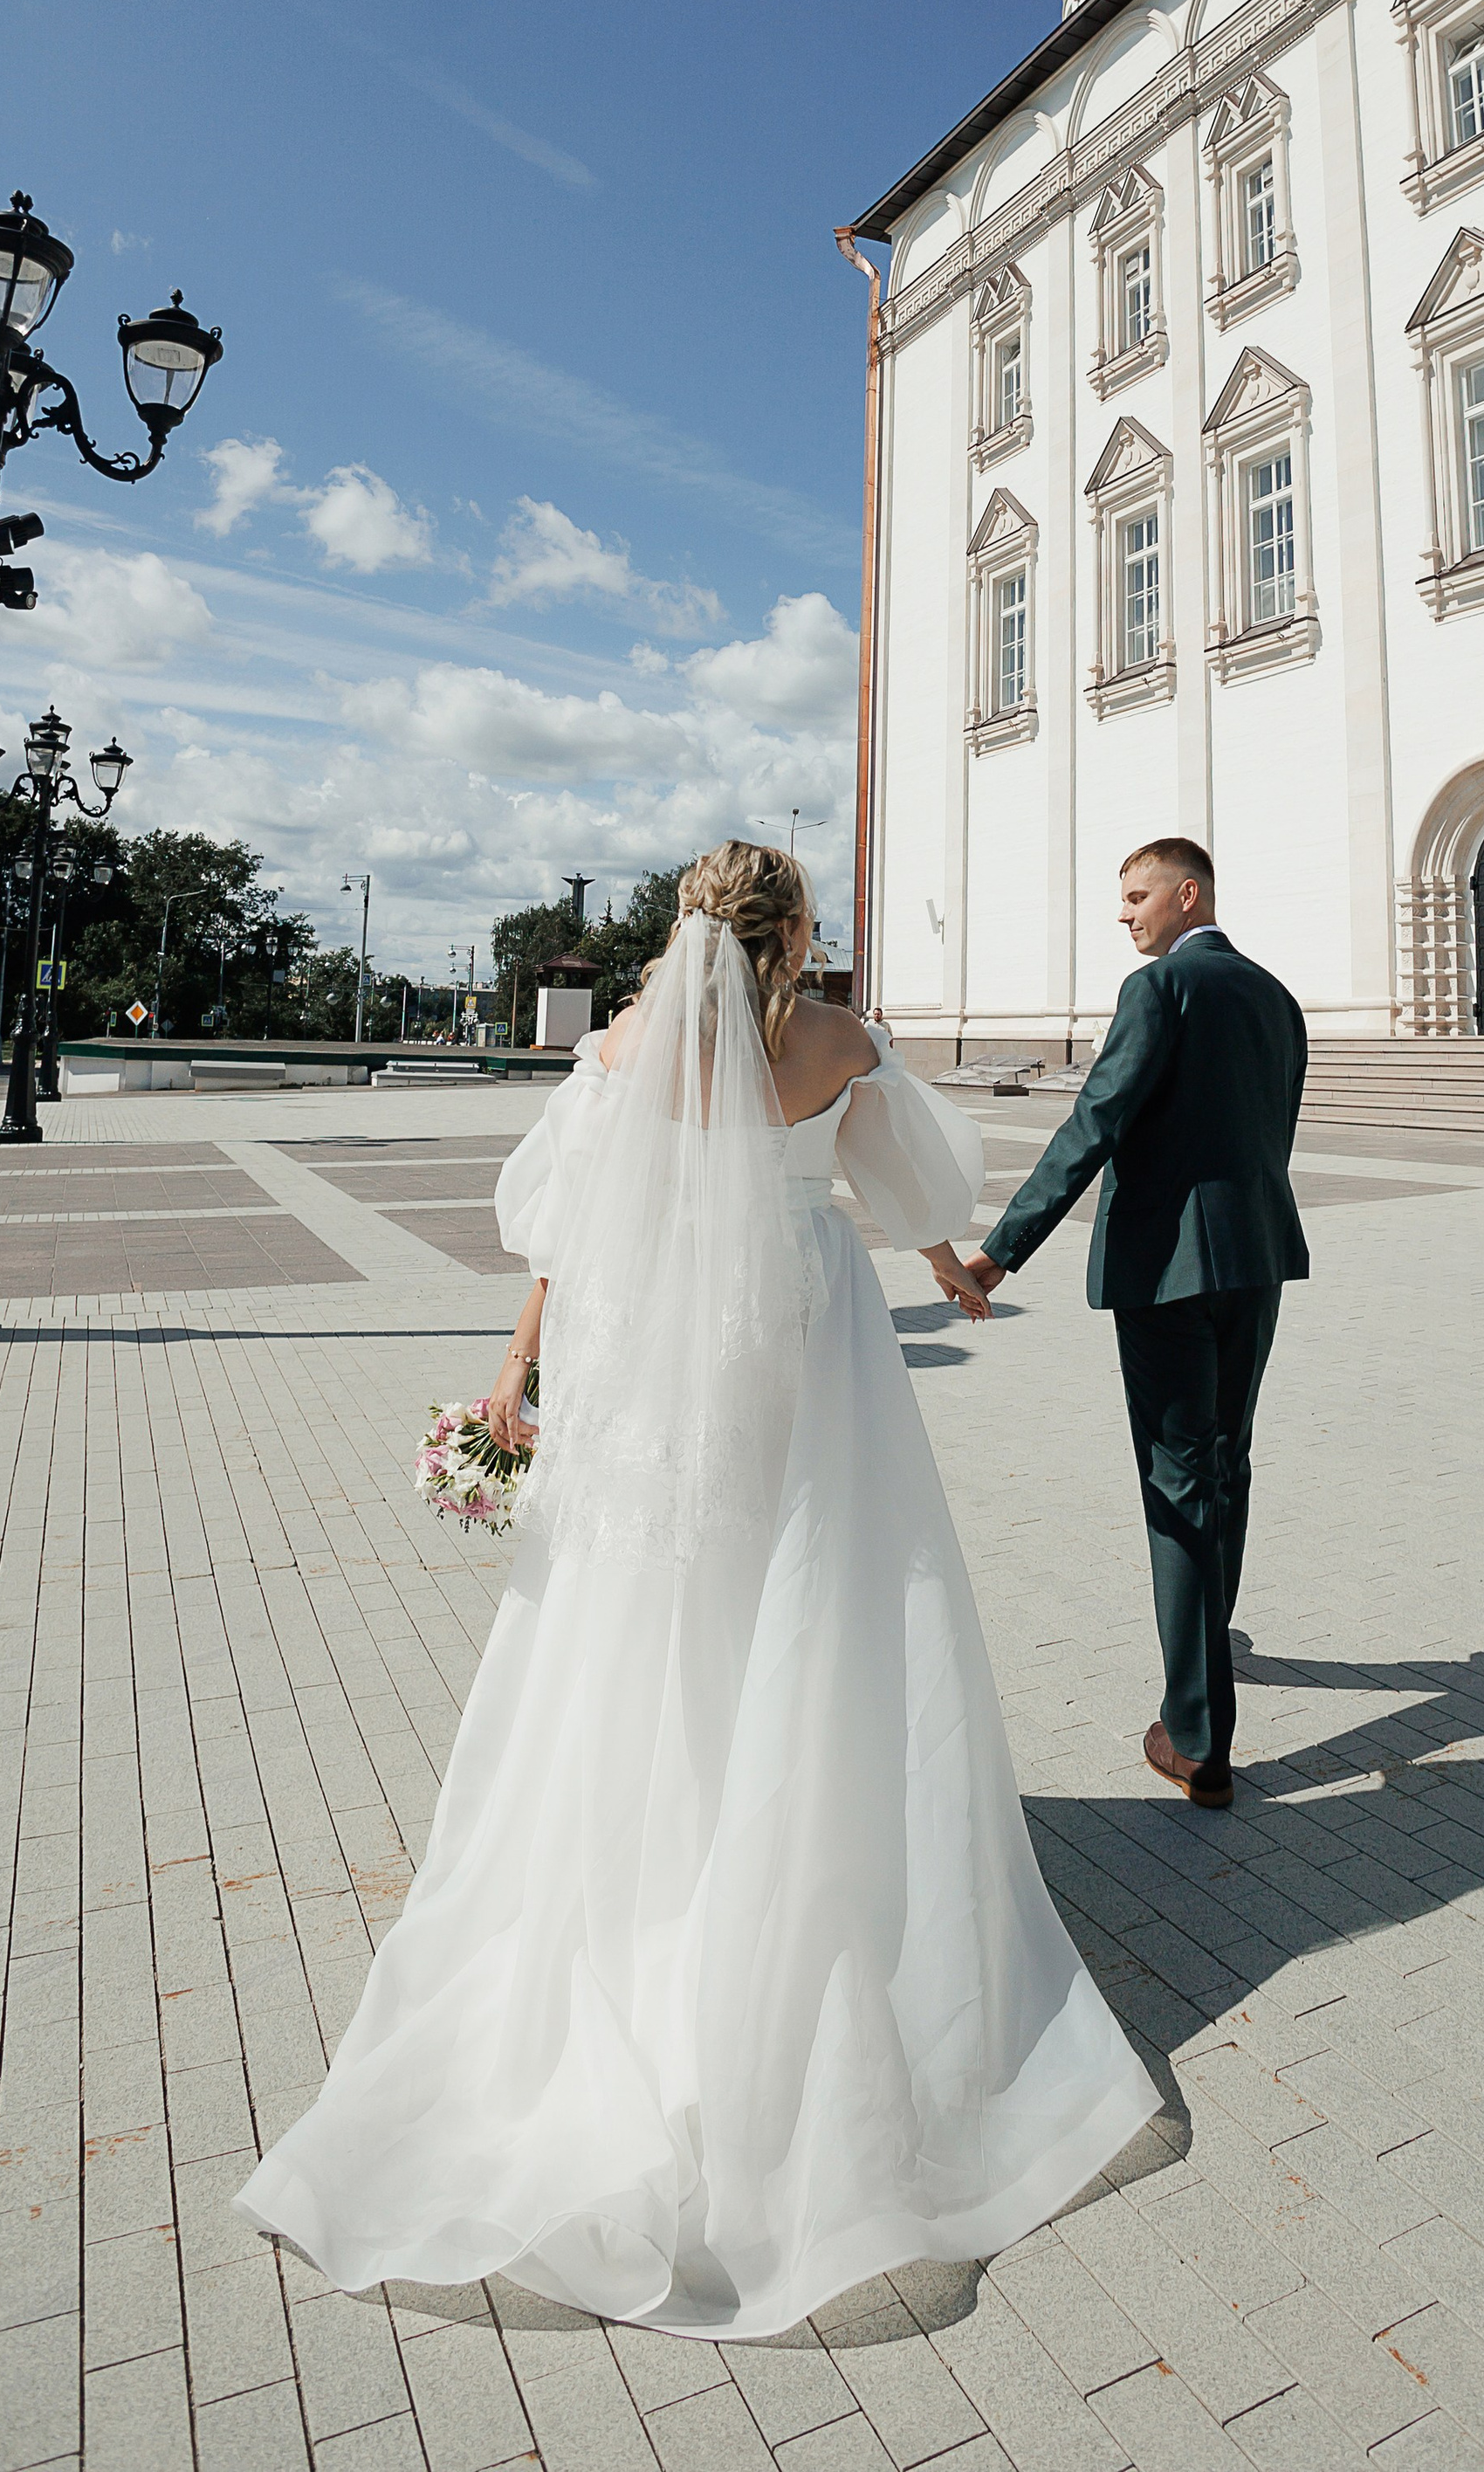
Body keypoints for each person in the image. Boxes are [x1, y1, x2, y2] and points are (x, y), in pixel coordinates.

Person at [237, 842, 1157, 2339]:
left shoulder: (619, 1046)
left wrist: (517, 1367)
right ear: (794, 929)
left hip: (652, 1356)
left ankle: (647, 1867)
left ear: (684, 929)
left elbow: (560, 1223)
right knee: (823, 1597)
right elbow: (910, 1184)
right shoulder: (840, 1042)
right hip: (807, 1350)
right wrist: (957, 1266)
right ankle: (796, 1851)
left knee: (644, 1611)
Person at [963, 839, 1308, 1812]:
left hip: (1165, 1270)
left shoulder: (1158, 989)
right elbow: (1269, 1128)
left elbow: (1096, 1120)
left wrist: (1003, 1246)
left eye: (1136, 896)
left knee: (1179, 1478)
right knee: (1226, 1459)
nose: (1125, 916)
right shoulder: (1277, 999)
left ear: (1184, 893)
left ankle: (1196, 1734)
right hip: (1254, 1258)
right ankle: (1206, 1646)